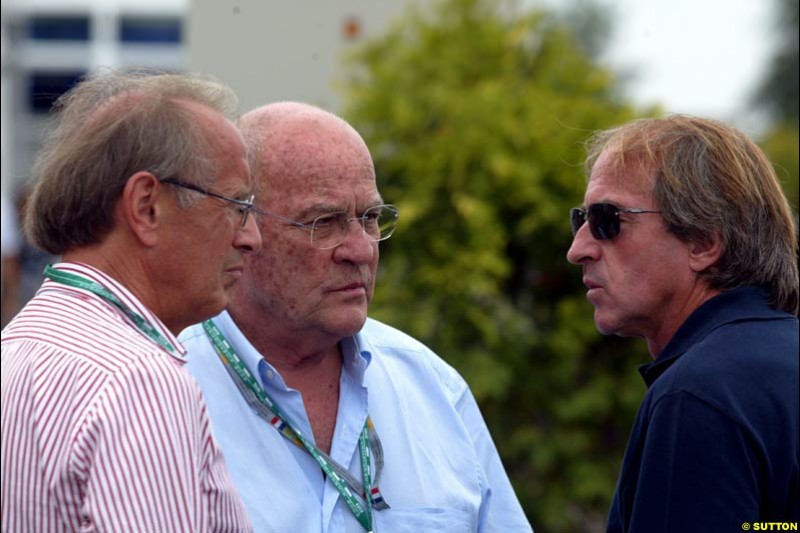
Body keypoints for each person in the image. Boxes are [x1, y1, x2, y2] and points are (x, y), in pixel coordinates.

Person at [179, 102, 532, 532]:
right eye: (323, 223)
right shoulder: (166, 388)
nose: (361, 250)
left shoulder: (433, 387)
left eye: (370, 218)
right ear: (242, 225)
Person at [1, 70, 262, 532]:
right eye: (236, 206)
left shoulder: (15, 348)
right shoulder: (141, 380)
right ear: (146, 206)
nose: (252, 238)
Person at [566, 114, 799, 532]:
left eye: (607, 220)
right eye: (579, 220)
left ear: (704, 241)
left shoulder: (699, 393)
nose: (578, 248)